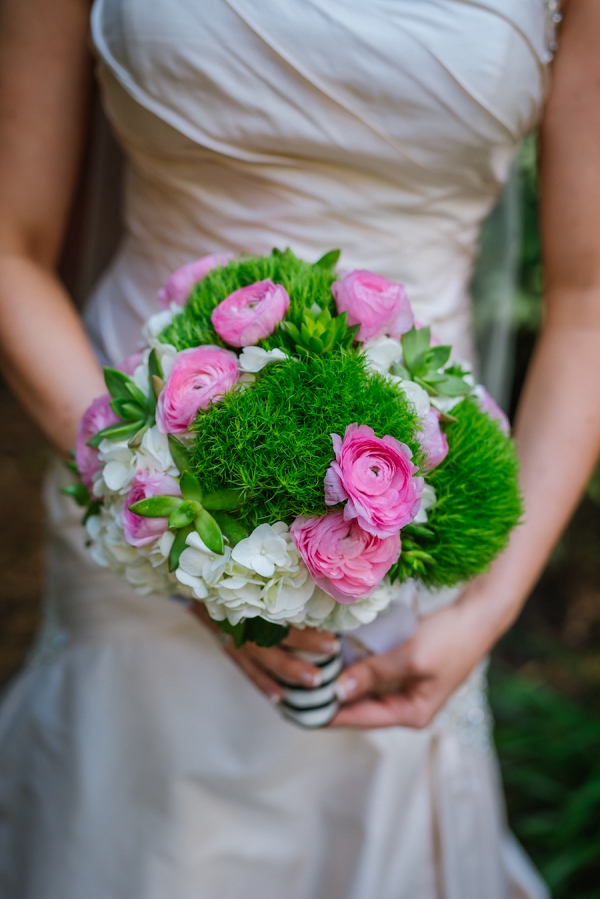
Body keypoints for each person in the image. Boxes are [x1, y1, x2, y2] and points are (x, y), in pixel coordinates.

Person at [0, 0, 598, 896]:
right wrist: (147, 510)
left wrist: (487, 610)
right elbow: (10, 246)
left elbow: (590, 299)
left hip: (408, 519)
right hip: (127, 464)